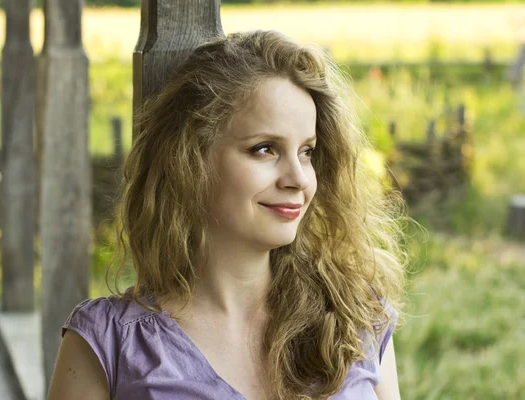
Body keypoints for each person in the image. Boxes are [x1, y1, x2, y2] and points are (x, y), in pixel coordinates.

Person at [47, 30, 408, 400]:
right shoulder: (108, 345)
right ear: (191, 158)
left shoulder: (355, 318)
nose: (299, 179)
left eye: (307, 151)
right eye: (265, 149)